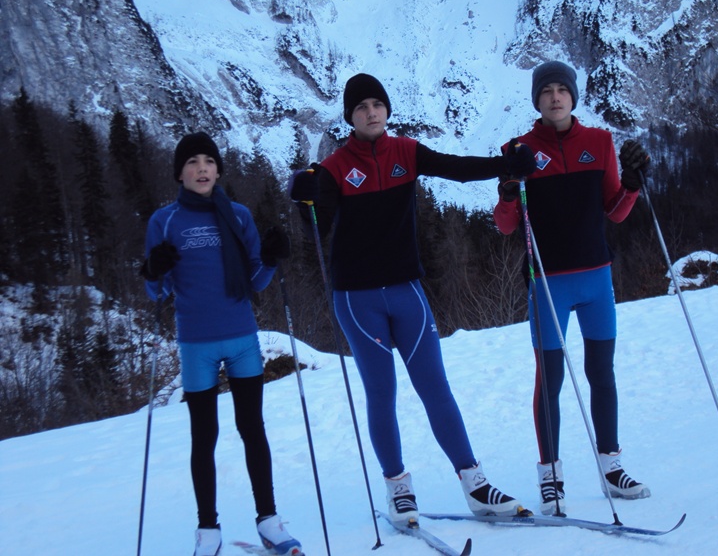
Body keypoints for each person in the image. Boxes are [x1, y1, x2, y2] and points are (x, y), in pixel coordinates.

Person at [288, 73, 536, 525]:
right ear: (350, 117)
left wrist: (507, 165)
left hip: (407, 290)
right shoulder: (335, 168)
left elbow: (457, 167)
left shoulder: (406, 151)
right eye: (361, 107)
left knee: (435, 387)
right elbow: (316, 228)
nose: (371, 112)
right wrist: (303, 200)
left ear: (387, 110)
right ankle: (398, 489)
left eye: (377, 104)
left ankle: (475, 484)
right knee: (382, 393)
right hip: (357, 299)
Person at [492, 61, 652, 516]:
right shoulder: (518, 150)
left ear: (573, 96)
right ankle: (551, 477)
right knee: (551, 381)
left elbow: (615, 210)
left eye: (562, 89)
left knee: (602, 373)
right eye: (546, 91)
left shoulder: (599, 142)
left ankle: (612, 468)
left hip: (597, 277)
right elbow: (505, 225)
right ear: (537, 100)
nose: (555, 97)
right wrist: (508, 191)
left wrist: (632, 187)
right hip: (548, 283)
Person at [140, 132, 302, 556]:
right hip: (196, 344)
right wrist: (152, 270)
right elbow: (157, 292)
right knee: (203, 436)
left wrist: (270, 259)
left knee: (253, 430)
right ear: (179, 173)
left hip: (242, 338)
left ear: (218, 170)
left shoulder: (239, 216)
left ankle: (269, 520)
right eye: (192, 162)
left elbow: (256, 281)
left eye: (209, 161)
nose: (201, 168)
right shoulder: (165, 221)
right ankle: (208, 529)